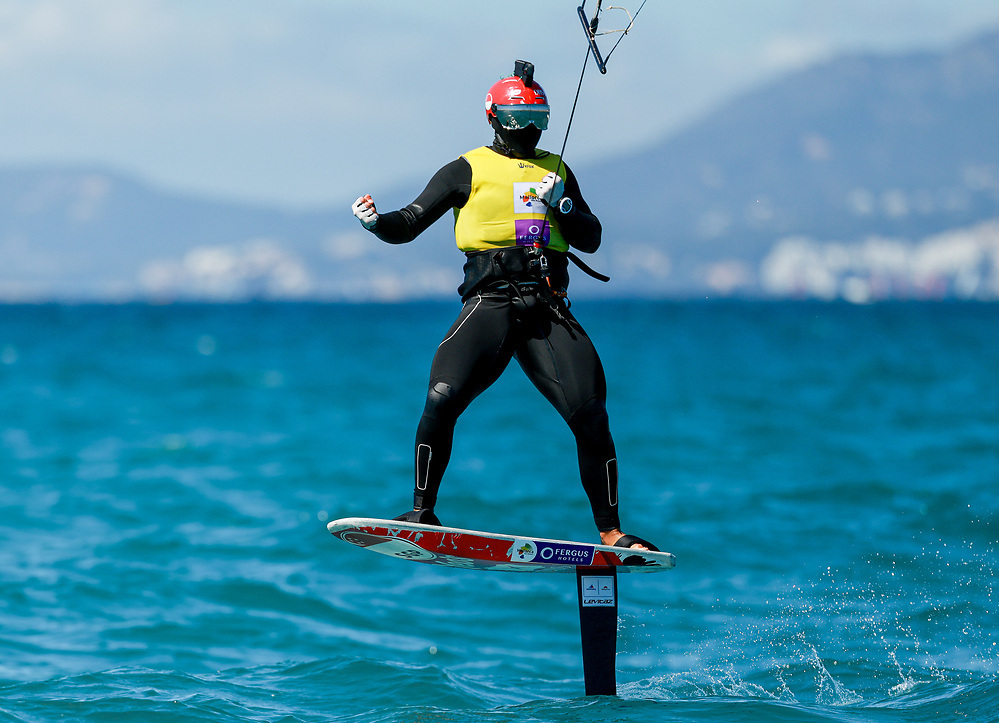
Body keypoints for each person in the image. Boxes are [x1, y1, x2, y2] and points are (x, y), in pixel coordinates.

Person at [351, 60, 656, 552]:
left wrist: (564, 205)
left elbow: (592, 238)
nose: (528, 130)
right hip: (490, 302)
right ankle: (422, 511)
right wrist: (375, 222)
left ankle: (612, 532)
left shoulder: (558, 171)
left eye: (538, 120)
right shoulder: (465, 169)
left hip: (548, 308)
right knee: (441, 397)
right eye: (519, 120)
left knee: (591, 413)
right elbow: (407, 222)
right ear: (494, 118)